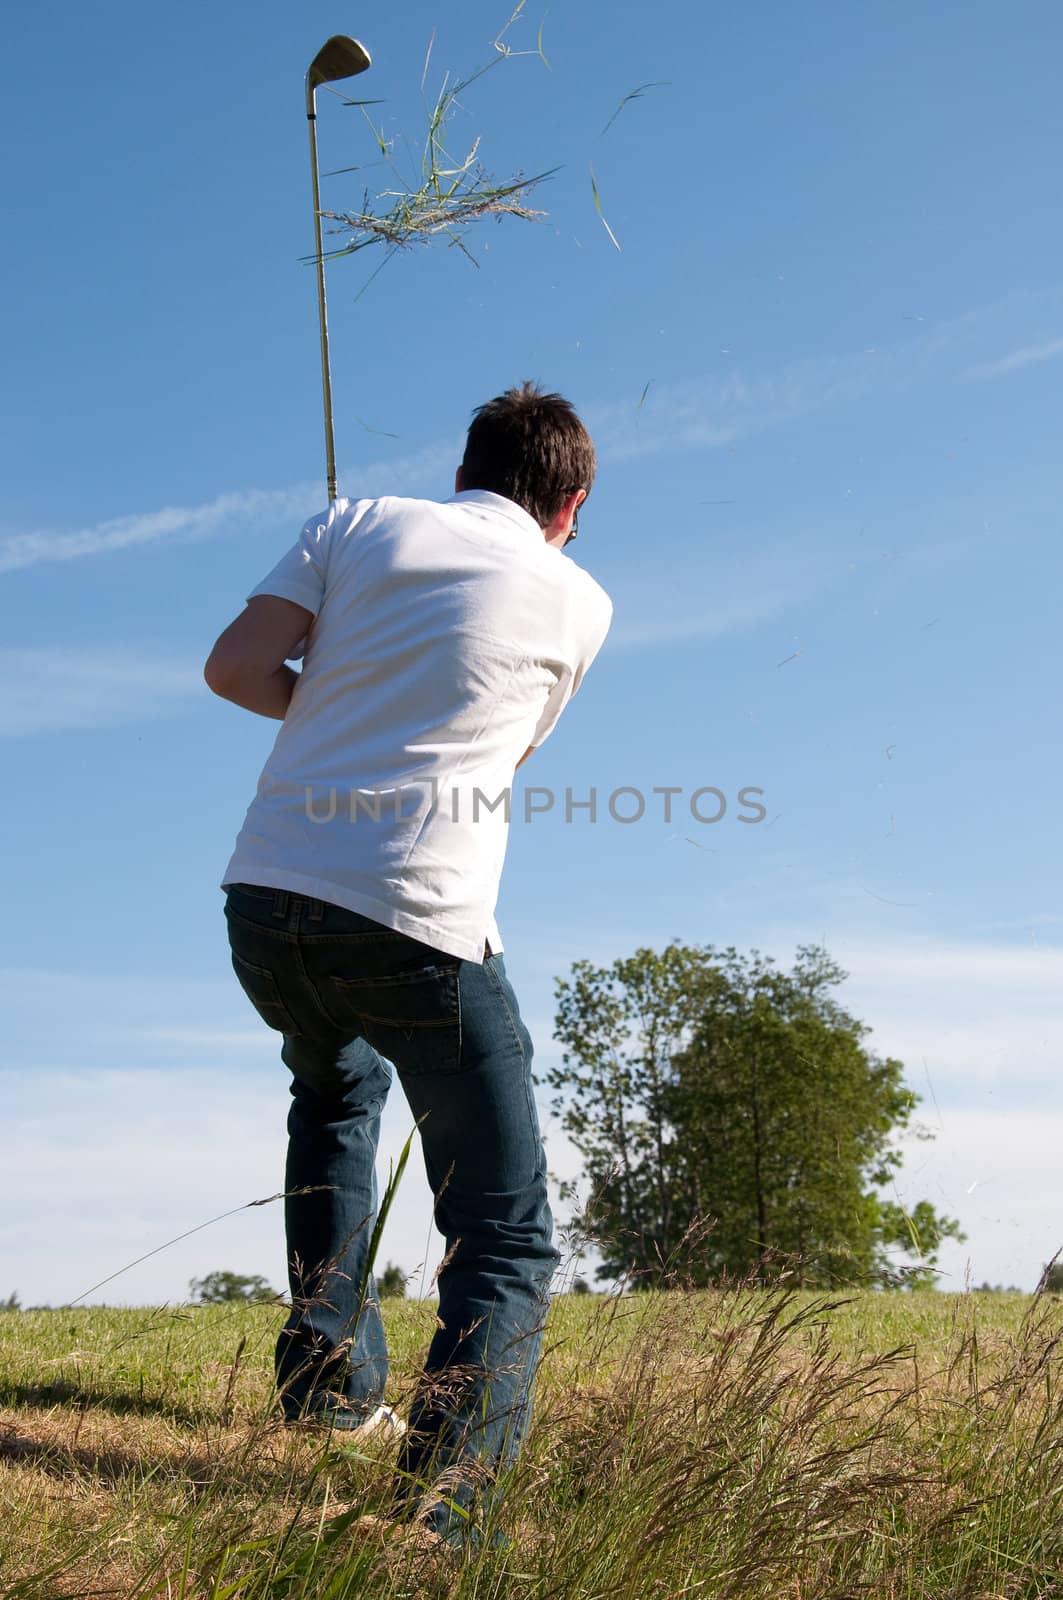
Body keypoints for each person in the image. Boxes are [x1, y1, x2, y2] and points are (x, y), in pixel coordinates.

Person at [204, 381, 612, 1546]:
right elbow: (509, 745)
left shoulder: (353, 520)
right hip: (417, 919)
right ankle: (439, 1516)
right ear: (568, 505)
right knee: (504, 1225)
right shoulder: (581, 601)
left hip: (266, 895)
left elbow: (233, 670)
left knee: (333, 1090)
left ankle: (330, 1390)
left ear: (465, 467)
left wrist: (326, 701)